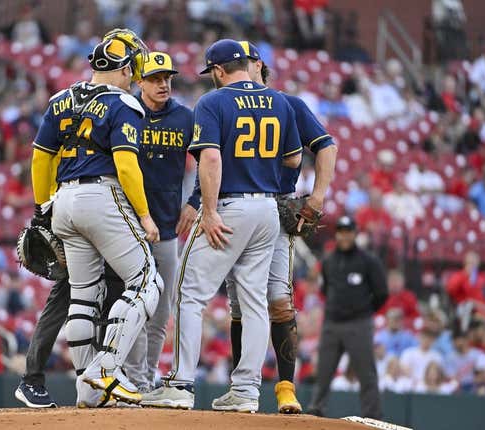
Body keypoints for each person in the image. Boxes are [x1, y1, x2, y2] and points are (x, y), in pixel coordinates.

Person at [141, 39, 303, 412]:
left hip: (229, 207)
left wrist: (209, 210)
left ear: (218, 70)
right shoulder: (278, 100)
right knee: (253, 302)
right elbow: (294, 158)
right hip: (267, 210)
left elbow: (210, 158)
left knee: (189, 294)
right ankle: (246, 392)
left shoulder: (213, 102)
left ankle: (180, 384)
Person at [17, 29, 162, 409]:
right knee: (147, 280)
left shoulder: (61, 99)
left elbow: (40, 157)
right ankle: (107, 367)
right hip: (102, 194)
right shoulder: (124, 104)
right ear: (126, 68)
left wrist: (41, 208)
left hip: (62, 200)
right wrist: (144, 215)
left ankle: (88, 390)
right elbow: (127, 165)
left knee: (83, 297)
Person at [225, 41, 337, 414]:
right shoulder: (222, 102)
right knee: (240, 303)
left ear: (259, 65)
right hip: (234, 206)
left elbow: (326, 145)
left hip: (275, 208)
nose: (241, 68)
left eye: (246, 62)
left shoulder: (286, 103)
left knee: (278, 299)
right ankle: (241, 388)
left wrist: (317, 196)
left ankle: (286, 387)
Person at [123, 51, 195, 392]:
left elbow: (211, 158)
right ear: (140, 82)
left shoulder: (185, 118)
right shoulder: (126, 112)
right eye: (155, 78)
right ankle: (132, 378)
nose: (163, 84)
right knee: (135, 304)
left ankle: (147, 374)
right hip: (128, 226)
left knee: (161, 310)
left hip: (166, 227)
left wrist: (195, 202)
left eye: (167, 78)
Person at [307, 216, 387, 419]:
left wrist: (364, 311)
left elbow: (381, 293)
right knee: (323, 373)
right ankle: (316, 412)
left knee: (366, 373)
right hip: (332, 323)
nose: (344, 235)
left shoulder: (368, 260)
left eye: (348, 231)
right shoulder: (328, 260)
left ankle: (372, 417)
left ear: (354, 233)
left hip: (358, 323)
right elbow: (326, 290)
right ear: (337, 234)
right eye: (341, 231)